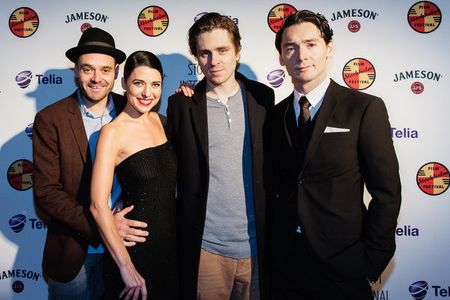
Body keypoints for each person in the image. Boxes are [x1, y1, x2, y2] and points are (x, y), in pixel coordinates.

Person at [268, 10, 402, 300]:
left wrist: (371, 262)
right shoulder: (274, 116)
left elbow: (386, 192)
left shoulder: (363, 108)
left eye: (311, 44)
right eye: (290, 47)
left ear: (329, 49)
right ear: (281, 56)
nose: (300, 55)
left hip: (344, 267)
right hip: (285, 268)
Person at [32, 27, 148, 300]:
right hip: (73, 255)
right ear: (75, 70)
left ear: (117, 72)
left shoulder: (134, 110)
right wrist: (103, 224)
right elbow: (46, 192)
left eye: (105, 70)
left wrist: (189, 94)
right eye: (88, 69)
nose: (97, 78)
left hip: (127, 251)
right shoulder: (51, 119)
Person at [166, 12, 274, 300]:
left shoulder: (264, 98)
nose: (214, 61)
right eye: (205, 53)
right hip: (206, 250)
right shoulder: (181, 105)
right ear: (196, 57)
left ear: (238, 50)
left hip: (257, 248)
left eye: (222, 50)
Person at [90, 50, 178, 300]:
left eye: (155, 84)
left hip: (170, 251)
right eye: (138, 83)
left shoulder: (163, 122)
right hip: (135, 253)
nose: (147, 93)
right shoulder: (112, 133)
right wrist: (126, 267)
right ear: (124, 83)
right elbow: (97, 205)